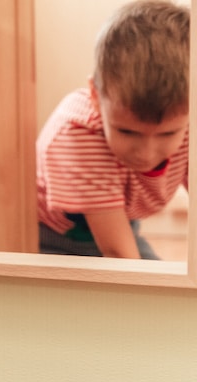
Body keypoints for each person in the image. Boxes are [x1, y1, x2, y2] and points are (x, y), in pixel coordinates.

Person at [37, 0, 189, 259]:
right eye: (127, 132)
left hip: (122, 223)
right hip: (54, 237)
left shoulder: (188, 119)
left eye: (167, 134)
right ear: (95, 96)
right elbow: (118, 252)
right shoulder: (78, 135)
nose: (146, 153)